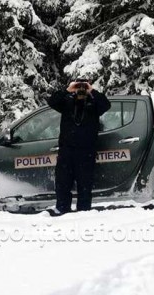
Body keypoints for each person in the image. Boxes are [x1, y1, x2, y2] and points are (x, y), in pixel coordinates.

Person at [46, 78, 111, 215]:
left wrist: (91, 90)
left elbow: (106, 105)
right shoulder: (67, 102)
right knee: (63, 183)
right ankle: (62, 209)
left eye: (83, 86)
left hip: (86, 151)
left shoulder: (93, 103)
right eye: (78, 86)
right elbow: (52, 102)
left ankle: (84, 212)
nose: (81, 89)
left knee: (85, 185)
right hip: (67, 151)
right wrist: (68, 90)